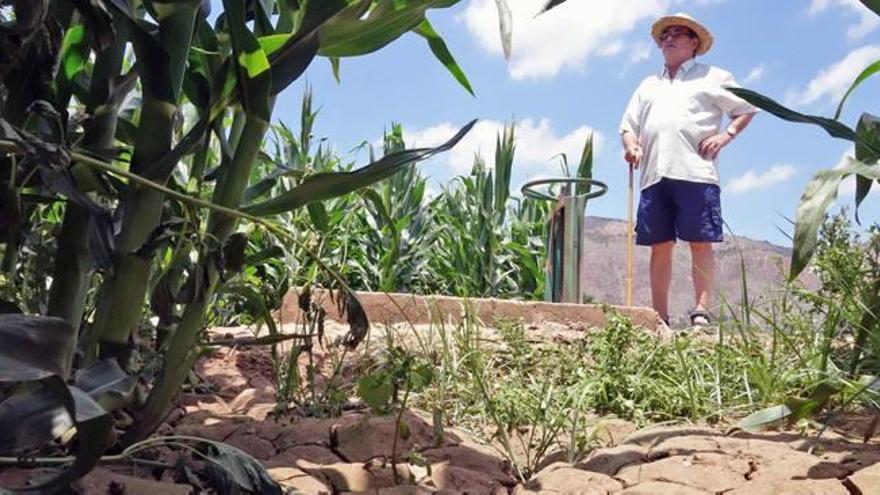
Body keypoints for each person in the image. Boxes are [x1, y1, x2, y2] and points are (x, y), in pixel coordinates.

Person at [619, 12, 757, 326]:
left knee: (700, 241)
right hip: (654, 173)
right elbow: (628, 126)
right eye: (664, 35)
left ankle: (701, 313)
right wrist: (631, 145)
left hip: (695, 170)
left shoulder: (714, 77)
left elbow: (747, 108)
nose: (669, 39)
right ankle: (659, 317)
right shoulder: (648, 85)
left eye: (678, 33)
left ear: (694, 43)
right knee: (659, 245)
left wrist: (726, 135)